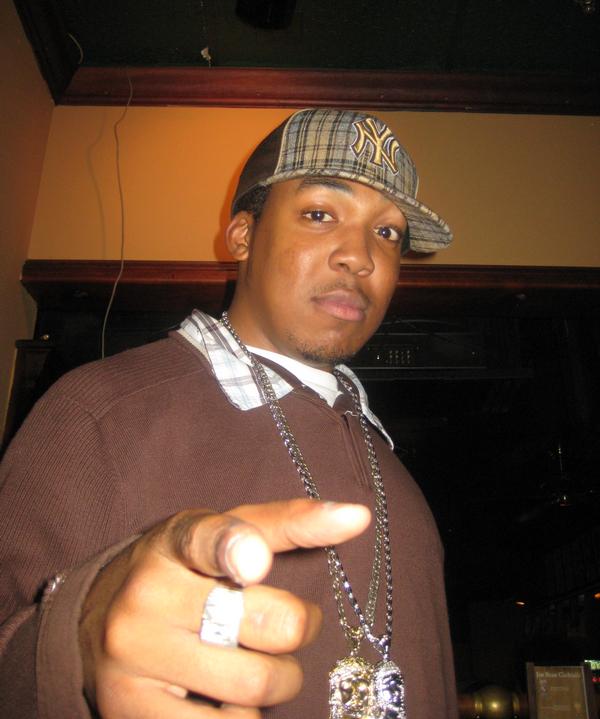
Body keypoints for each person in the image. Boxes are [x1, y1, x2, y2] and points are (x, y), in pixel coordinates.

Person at [0, 108, 457, 719]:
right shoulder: (98, 413)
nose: (361, 257)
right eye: (320, 214)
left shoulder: (393, 467)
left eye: (388, 232)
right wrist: (81, 641)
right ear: (242, 236)